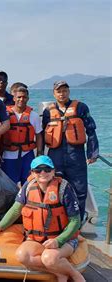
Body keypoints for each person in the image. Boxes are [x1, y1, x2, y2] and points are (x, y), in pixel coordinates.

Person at [0, 156, 84, 282]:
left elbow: (75, 221)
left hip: (63, 238)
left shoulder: (64, 189)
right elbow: (15, 210)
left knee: (49, 258)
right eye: (38, 170)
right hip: (36, 238)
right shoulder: (28, 186)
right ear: (32, 173)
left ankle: (75, 275)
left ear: (53, 172)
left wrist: (59, 241)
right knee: (22, 256)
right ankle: (60, 273)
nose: (43, 173)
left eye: (47, 169)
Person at [42, 80, 99, 221]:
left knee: (80, 190)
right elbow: (43, 134)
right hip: (55, 156)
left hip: (76, 156)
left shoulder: (81, 108)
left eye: (65, 90)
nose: (62, 94)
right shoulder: (48, 111)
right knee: (54, 189)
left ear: (69, 91)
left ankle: (77, 223)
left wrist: (92, 153)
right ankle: (58, 221)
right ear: (54, 93)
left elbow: (91, 130)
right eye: (59, 91)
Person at [1, 84, 43, 185]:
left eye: (24, 97)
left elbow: (38, 135)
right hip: (8, 155)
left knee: (29, 183)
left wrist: (39, 153)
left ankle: (28, 201)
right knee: (9, 185)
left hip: (27, 155)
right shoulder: (5, 114)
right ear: (14, 98)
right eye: (19, 97)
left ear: (28, 98)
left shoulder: (34, 116)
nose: (21, 99)